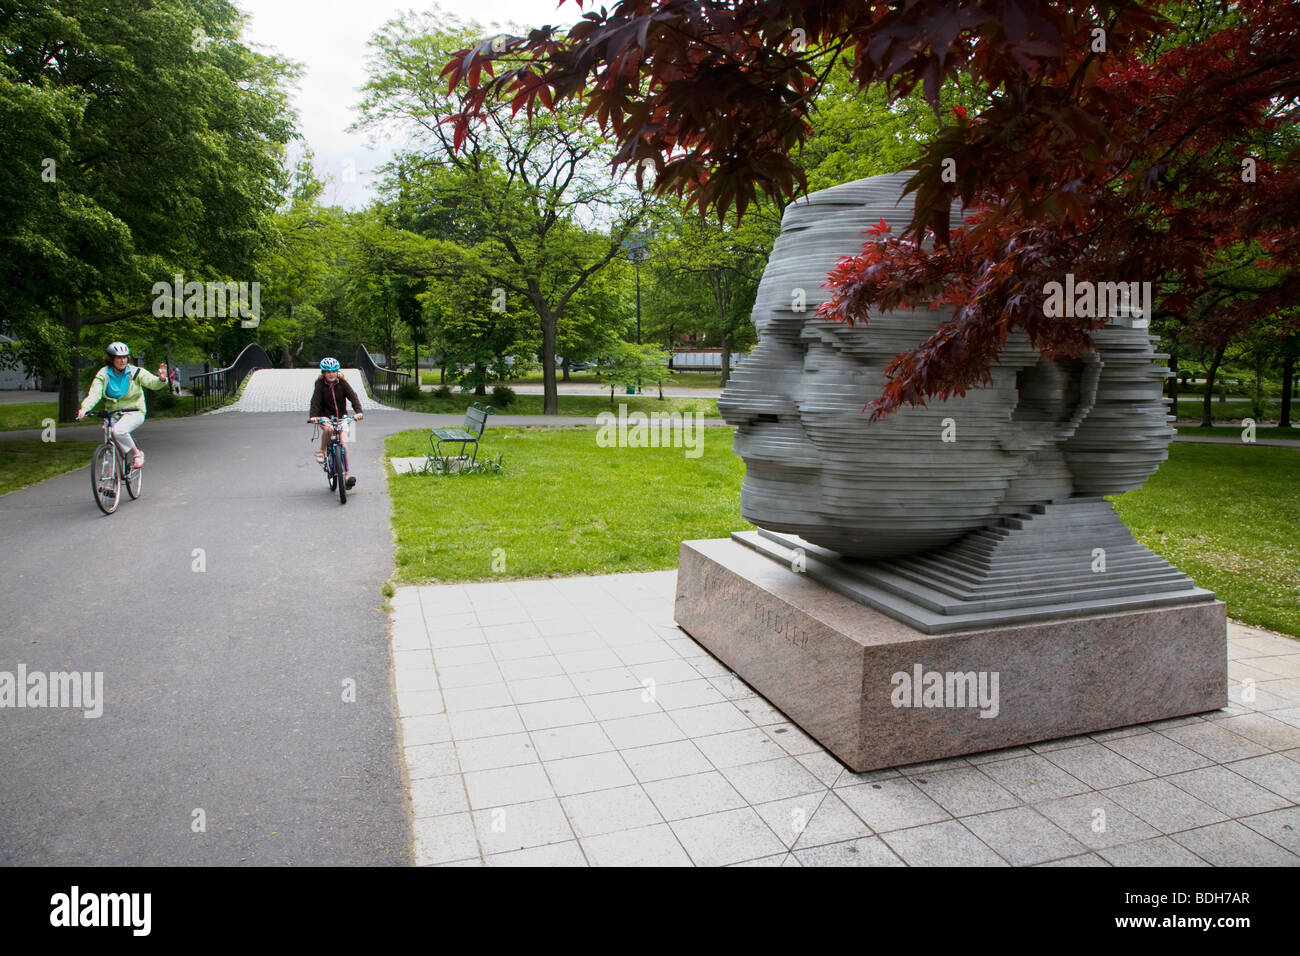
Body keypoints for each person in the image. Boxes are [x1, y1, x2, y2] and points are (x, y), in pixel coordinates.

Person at [75, 342, 170, 469]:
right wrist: (84, 409)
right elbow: (94, 394)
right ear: (111, 359)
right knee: (109, 447)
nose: (123, 360)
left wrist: (162, 379)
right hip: (112, 413)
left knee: (118, 431)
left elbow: (153, 383)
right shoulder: (103, 374)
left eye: (125, 357)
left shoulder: (135, 372)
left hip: (134, 411)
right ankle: (108, 482)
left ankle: (137, 454)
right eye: (119, 358)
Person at [308, 357, 364, 488]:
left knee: (344, 444)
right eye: (328, 372)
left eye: (334, 371)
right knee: (328, 430)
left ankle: (347, 475)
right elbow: (315, 402)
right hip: (326, 417)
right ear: (323, 373)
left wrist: (358, 412)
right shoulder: (320, 385)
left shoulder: (343, 383)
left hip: (341, 417)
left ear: (337, 372)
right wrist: (314, 416)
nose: (331, 374)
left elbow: (353, 397)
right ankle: (322, 451)